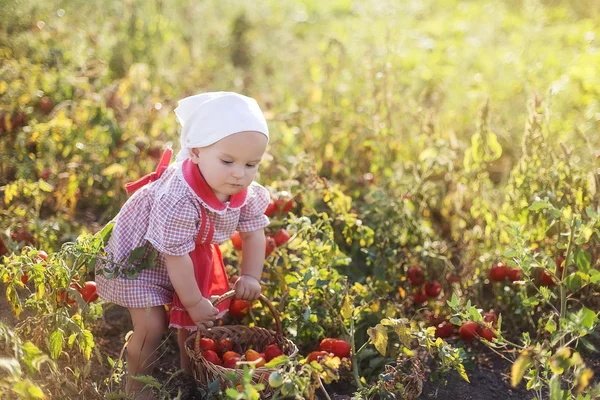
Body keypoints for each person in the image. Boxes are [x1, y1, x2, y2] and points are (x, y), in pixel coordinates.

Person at [95, 92, 271, 399]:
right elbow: (173, 254)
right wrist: (191, 301)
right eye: (228, 161)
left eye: (251, 164)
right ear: (196, 152)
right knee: (152, 325)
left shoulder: (246, 192)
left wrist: (251, 276)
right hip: (145, 257)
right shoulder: (178, 197)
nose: (239, 173)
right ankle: (137, 388)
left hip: (189, 253)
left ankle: (193, 375)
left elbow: (255, 234)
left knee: (198, 324)